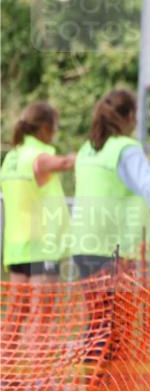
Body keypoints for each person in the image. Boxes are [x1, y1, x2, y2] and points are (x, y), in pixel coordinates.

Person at [68, 89, 150, 279]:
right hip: (116, 249)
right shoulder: (126, 148)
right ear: (131, 115)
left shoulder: (87, 149)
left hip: (83, 245)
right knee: (117, 309)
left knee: (98, 309)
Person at [0, 102, 75, 345]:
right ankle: (37, 383)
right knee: (41, 320)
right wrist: (86, 156)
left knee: (14, 318)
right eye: (55, 128)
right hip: (43, 247)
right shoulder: (38, 157)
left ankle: (5, 378)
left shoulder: (12, 157)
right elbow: (63, 164)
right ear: (44, 128)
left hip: (17, 246)